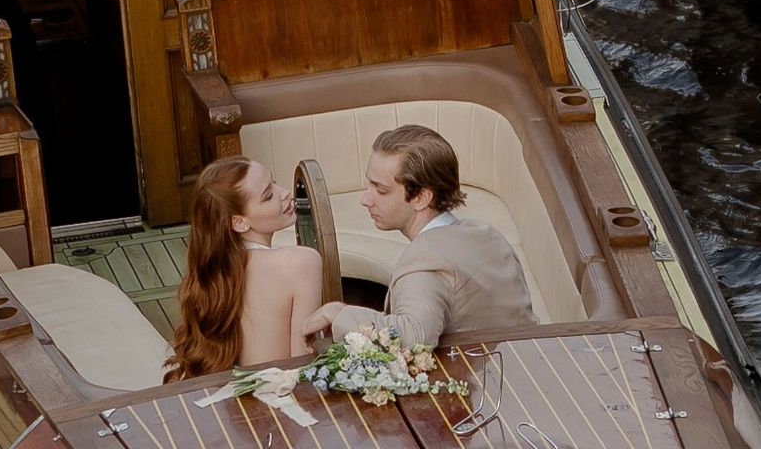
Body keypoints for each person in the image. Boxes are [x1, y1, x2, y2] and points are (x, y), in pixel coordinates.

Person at [321, 125, 537, 353]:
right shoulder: (488, 234)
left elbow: (414, 337)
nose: (366, 199)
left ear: (421, 197)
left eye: (381, 191)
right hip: (531, 363)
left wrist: (337, 314)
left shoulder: (425, 261)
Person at [163, 155, 324, 382]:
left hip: (236, 403)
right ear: (239, 222)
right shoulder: (301, 262)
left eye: (274, 181)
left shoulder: (216, 273)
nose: (284, 192)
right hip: (282, 403)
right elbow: (303, 367)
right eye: (268, 195)